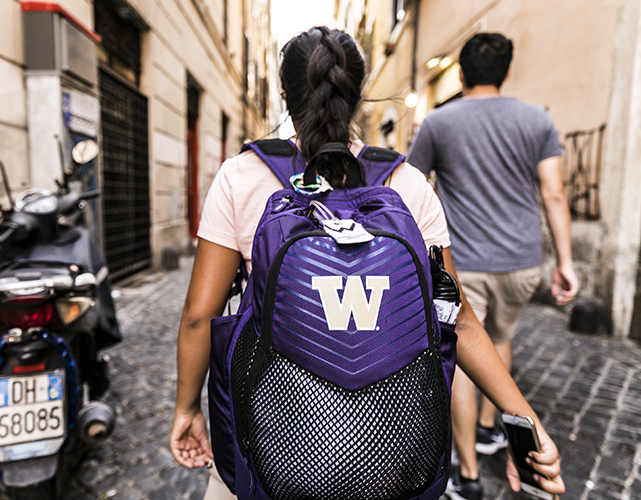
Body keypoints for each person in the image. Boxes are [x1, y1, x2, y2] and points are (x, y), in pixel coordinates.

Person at [170, 27, 565, 500]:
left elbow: (198, 317)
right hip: (389, 446)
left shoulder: (241, 177)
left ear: (284, 94)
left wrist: (188, 409)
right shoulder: (408, 183)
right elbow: (457, 320)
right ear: (357, 95)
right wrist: (526, 419)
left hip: (273, 441)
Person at [407, 32, 578, 500]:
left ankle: (467, 472)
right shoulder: (536, 119)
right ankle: (488, 428)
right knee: (500, 338)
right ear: (507, 72)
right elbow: (554, 193)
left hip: (465, 259)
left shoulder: (439, 122)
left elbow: (408, 187)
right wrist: (565, 261)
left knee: (465, 346)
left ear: (460, 74)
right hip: (522, 262)